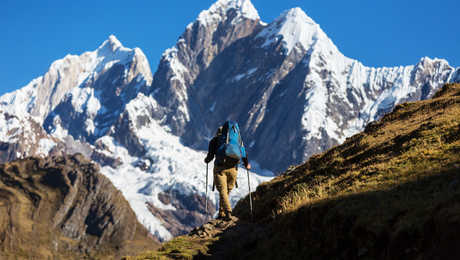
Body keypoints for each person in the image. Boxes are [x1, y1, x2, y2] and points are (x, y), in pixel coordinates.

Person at [204, 123, 251, 221]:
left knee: (223, 191)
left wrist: (206, 160)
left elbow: (210, 157)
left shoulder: (215, 140)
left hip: (220, 169)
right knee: (227, 191)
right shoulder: (237, 141)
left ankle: (228, 213)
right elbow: (243, 153)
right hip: (233, 169)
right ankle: (221, 213)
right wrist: (247, 164)